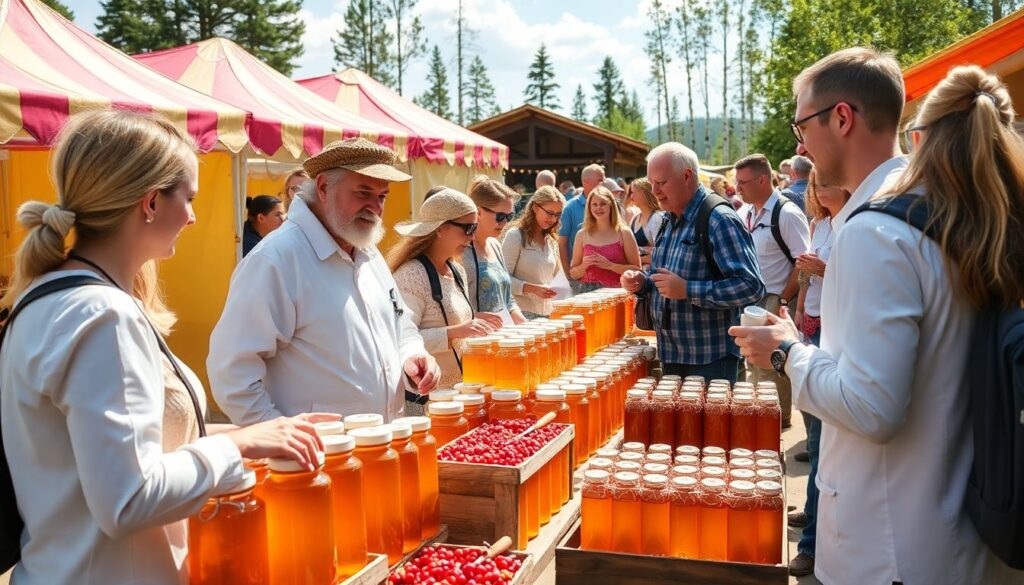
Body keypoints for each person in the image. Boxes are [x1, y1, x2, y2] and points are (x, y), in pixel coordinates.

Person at [730, 55, 1024, 584]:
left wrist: (786, 353)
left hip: (893, 548)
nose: (799, 146)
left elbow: (872, 408)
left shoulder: (874, 233)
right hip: (955, 531)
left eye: (802, 125)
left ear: (841, 118)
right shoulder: (948, 210)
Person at [0, 110, 327, 585]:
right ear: (151, 203)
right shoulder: (103, 316)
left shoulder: (49, 297)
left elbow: (127, 452)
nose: (194, 216)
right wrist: (239, 443)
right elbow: (129, 499)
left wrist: (266, 433)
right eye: (189, 198)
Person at [209, 137, 440, 424]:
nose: (375, 208)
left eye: (381, 196)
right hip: (316, 460)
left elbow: (399, 322)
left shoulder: (368, 253)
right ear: (323, 187)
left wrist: (411, 355)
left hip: (378, 450)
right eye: (363, 192)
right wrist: (279, 434)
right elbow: (232, 374)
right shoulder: (276, 260)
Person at [621, 143, 763, 383]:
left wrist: (687, 289)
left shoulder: (719, 219)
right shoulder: (670, 216)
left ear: (687, 176)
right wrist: (643, 284)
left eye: (661, 182)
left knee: (709, 422)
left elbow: (751, 286)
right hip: (673, 353)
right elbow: (665, 278)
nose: (654, 191)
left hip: (710, 359)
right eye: (651, 183)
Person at [786, 169, 849, 576]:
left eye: (823, 184)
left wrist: (823, 272)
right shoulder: (818, 222)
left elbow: (854, 280)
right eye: (813, 186)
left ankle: (811, 542)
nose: (817, 191)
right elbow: (807, 270)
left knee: (821, 433)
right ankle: (813, 510)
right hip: (813, 320)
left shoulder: (854, 222)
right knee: (812, 424)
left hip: (837, 328)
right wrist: (800, 303)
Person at [389, 189, 501, 414]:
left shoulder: (456, 269)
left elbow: (448, 319)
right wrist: (455, 331)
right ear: (441, 229)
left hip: (460, 396)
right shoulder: (411, 275)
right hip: (430, 404)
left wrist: (473, 321)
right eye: (468, 228)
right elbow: (400, 340)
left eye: (474, 228)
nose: (472, 237)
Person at [734, 153, 810, 428]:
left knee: (772, 364)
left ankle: (778, 420)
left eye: (743, 182)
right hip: (750, 297)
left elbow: (804, 263)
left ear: (763, 179)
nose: (738, 188)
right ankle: (761, 417)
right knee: (752, 360)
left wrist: (785, 299)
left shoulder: (787, 213)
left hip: (775, 297)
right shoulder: (747, 212)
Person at [463, 175, 527, 324]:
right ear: (478, 212)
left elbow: (507, 299)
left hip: (503, 337)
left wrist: (523, 323)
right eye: (500, 216)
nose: (505, 222)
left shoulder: (495, 245)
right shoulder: (461, 251)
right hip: (478, 340)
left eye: (509, 216)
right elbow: (453, 310)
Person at [501, 186, 566, 318]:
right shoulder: (515, 236)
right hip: (521, 315)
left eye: (558, 215)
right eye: (549, 213)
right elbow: (502, 281)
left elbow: (557, 280)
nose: (553, 219)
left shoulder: (551, 241)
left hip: (548, 315)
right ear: (535, 207)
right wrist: (531, 288)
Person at [569, 186, 641, 293]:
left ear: (611, 205)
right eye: (594, 204)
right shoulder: (581, 234)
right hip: (587, 295)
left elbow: (637, 270)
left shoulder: (624, 233)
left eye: (603, 204)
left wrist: (611, 266)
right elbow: (573, 274)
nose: (598, 208)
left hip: (616, 294)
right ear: (589, 207)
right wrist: (584, 266)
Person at [559, 163, 605, 294]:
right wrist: (569, 275)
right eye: (600, 180)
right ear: (586, 182)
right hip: (580, 278)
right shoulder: (570, 208)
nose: (604, 183)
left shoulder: (610, 205)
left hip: (608, 276)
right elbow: (562, 243)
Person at [627, 177, 666, 270]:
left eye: (634, 192)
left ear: (645, 193)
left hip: (652, 274)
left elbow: (661, 254)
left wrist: (639, 257)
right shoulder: (635, 218)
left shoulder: (657, 218)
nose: (631, 197)